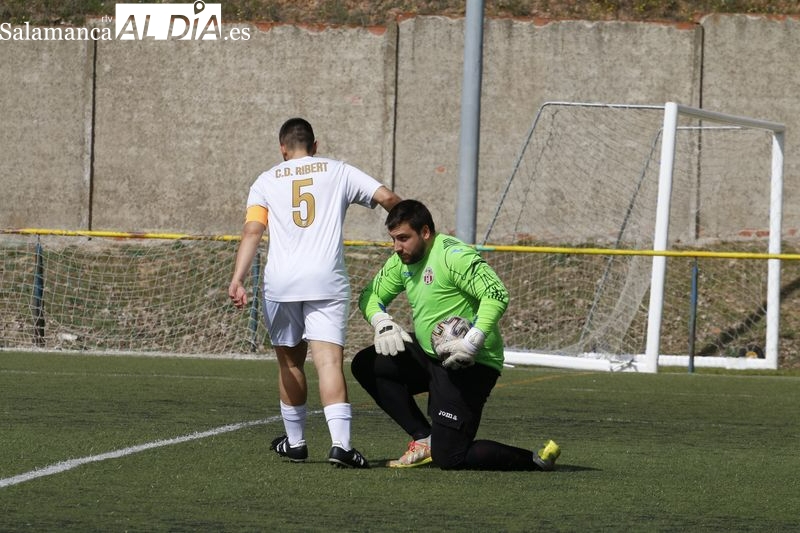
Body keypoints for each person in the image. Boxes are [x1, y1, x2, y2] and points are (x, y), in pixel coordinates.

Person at [228, 117, 401, 469]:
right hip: (326, 281)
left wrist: (238, 278)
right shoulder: (339, 170)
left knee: (290, 362)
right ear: (315, 145)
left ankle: (295, 443)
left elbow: (252, 230)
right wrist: (405, 235)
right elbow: (388, 198)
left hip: (281, 283)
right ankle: (341, 446)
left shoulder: (265, 180)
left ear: (282, 148)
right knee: (328, 362)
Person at [352, 199, 561, 470]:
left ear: (425, 232)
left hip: (470, 362)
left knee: (450, 458)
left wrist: (474, 339)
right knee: (366, 364)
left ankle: (535, 460)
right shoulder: (401, 262)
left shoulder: (454, 255)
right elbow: (370, 295)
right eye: (393, 239)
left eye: (403, 238)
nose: (397, 247)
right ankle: (422, 437)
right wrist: (380, 320)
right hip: (430, 354)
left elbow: (496, 294)